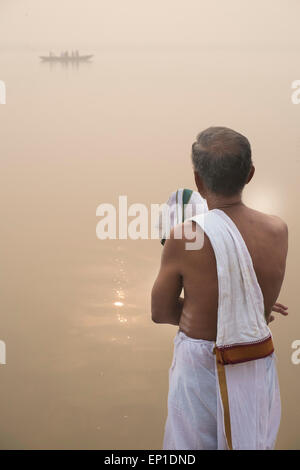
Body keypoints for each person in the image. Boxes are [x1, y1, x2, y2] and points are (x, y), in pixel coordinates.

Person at [151, 127, 288, 450]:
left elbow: (160, 312)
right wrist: (244, 310)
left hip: (204, 367)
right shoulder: (278, 230)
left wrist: (211, 308)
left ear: (198, 181)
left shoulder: (185, 236)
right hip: (256, 361)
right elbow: (258, 308)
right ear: (250, 174)